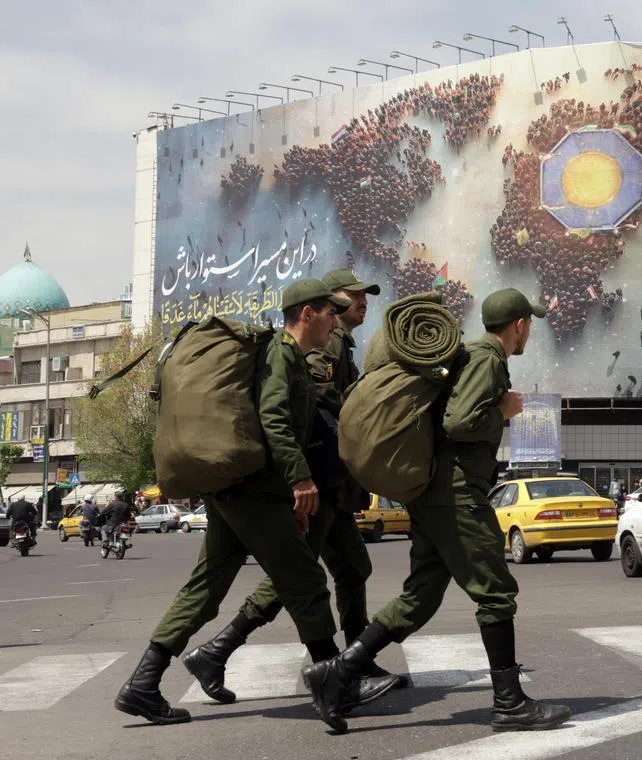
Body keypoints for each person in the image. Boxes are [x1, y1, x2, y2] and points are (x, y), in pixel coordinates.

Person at [114, 279, 396, 733]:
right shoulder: (282, 354)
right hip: (254, 491)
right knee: (304, 579)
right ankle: (333, 682)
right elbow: (275, 419)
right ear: (307, 314)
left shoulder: (286, 355)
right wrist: (300, 478)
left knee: (206, 587)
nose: (335, 319)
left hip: (233, 490)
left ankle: (143, 683)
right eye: (330, 312)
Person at [302, 287, 572, 732]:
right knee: (495, 592)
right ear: (519, 325)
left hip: (434, 494)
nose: (529, 333)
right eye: (529, 325)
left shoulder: (472, 356)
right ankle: (509, 702)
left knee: (419, 599)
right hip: (457, 495)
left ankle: (335, 674)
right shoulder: (487, 359)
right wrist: (503, 411)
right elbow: (459, 422)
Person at [182, 269, 406, 709]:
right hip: (315, 478)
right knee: (297, 577)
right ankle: (224, 651)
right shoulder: (327, 343)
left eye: (364, 297)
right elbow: (313, 406)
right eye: (350, 298)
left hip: (331, 480)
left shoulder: (341, 342)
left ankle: (353, 660)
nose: (360, 303)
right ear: (324, 305)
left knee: (352, 567)